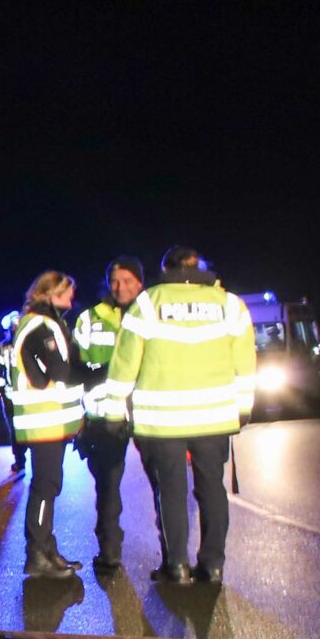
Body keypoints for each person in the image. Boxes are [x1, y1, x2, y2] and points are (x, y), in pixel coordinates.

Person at [101, 246, 254, 584]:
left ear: (165, 269)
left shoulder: (147, 303)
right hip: (214, 418)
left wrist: (114, 412)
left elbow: (125, 365)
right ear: (199, 267)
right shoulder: (230, 305)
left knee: (171, 492)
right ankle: (213, 566)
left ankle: (177, 566)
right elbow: (245, 365)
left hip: (163, 420)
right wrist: (243, 408)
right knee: (212, 490)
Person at [9, 270, 86, 578]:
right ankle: (38, 553)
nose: (72, 298)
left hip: (47, 422)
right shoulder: (42, 326)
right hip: (44, 422)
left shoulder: (40, 323)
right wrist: (93, 371)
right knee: (46, 485)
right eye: (68, 292)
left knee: (48, 484)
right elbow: (60, 371)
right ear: (51, 293)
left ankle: (47, 549)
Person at [73, 257, 145, 575]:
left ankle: (174, 557)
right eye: (115, 281)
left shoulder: (151, 315)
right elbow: (74, 368)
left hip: (148, 413)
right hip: (104, 418)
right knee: (107, 488)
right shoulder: (89, 319)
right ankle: (110, 550)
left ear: (140, 283)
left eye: (128, 280)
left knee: (165, 486)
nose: (121, 287)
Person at [0, 309, 27, 472]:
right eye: (13, 327)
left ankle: (35, 460)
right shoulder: (1, 348)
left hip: (31, 396)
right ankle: (20, 460)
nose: (15, 329)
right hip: (11, 397)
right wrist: (2, 391)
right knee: (15, 430)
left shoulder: (30, 343)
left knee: (31, 428)